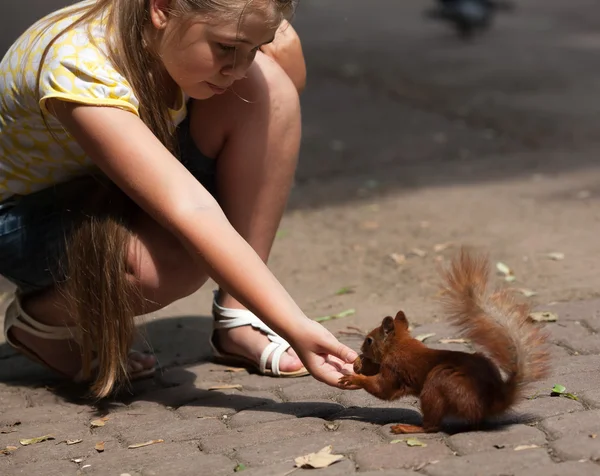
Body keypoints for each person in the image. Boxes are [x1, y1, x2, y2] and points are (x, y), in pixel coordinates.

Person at [0, 0, 358, 398]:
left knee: (267, 85)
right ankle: (45, 322)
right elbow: (190, 209)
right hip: (23, 218)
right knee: (170, 264)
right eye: (226, 48)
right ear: (162, 8)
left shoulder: (219, 26)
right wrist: (296, 323)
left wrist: (271, 46)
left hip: (104, 180)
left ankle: (238, 316)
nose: (238, 67)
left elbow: (278, 103)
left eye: (254, 47)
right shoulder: (79, 63)